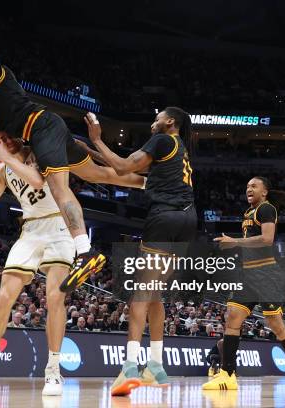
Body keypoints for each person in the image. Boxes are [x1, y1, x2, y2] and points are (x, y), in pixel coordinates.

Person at [0, 16, 147, 292]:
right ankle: (153, 183)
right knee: (99, 174)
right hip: (41, 133)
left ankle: (84, 251)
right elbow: (10, 137)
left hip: (41, 127)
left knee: (59, 189)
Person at [85, 108, 197, 396]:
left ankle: (130, 367)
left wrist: (97, 140)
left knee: (141, 293)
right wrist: (90, 150)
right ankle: (156, 367)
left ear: (170, 122)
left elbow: (123, 167)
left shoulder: (162, 141)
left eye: (158, 117)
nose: (153, 121)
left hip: (165, 217)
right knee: (156, 294)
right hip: (187, 220)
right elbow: (125, 167)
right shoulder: (178, 150)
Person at [0, 136, 75, 396]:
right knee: (3, 297)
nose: (3, 142)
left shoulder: (42, 151)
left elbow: (37, 180)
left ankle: (54, 370)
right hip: (31, 229)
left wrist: (4, 157)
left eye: (6, 139)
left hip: (60, 224)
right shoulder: (3, 169)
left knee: (55, 298)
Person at [203, 177, 285, 391]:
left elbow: (267, 239)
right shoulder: (248, 213)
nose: (249, 189)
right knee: (233, 319)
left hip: (266, 274)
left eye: (254, 186)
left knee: (276, 325)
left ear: (264, 192)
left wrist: (235, 241)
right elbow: (251, 243)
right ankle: (227, 375)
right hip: (247, 274)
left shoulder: (266, 208)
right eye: (247, 187)